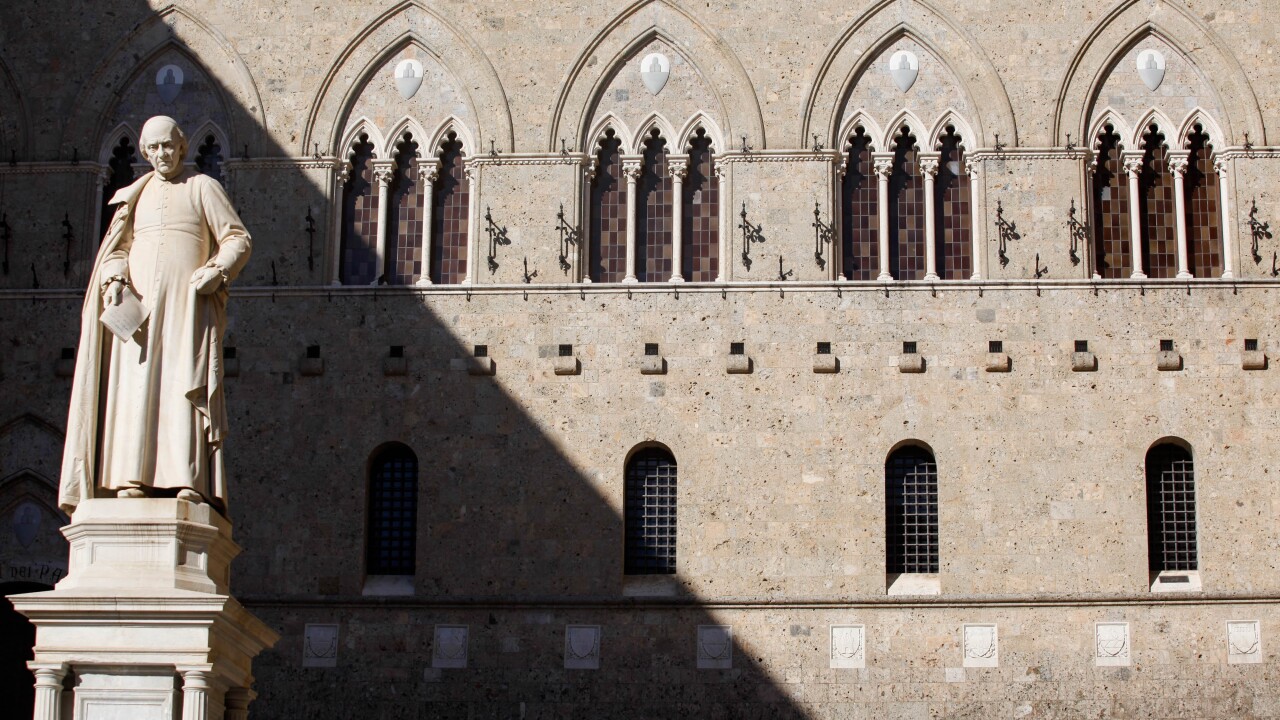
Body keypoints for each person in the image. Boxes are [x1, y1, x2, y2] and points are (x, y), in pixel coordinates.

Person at [59, 115, 251, 514]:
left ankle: (187, 480)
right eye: (153, 148)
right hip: (139, 315)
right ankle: (129, 478)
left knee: (183, 385)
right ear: (144, 153)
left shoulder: (202, 187)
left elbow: (237, 238)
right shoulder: (135, 195)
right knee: (134, 390)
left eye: (168, 145)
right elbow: (117, 249)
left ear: (182, 146)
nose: (162, 154)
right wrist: (115, 279)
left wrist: (218, 270)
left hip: (186, 309)